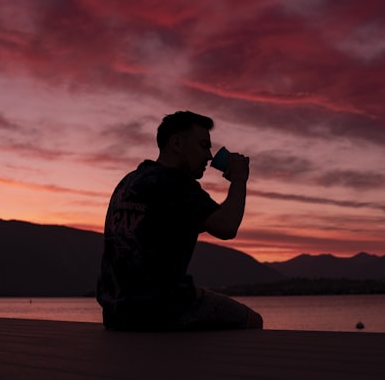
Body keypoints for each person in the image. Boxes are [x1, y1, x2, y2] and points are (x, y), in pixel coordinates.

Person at [97, 110, 264, 331]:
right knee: (252, 321)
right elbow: (227, 226)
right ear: (177, 143)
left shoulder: (128, 183)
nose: (209, 156)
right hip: (165, 307)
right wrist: (240, 178)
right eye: (204, 145)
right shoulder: (176, 184)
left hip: (117, 313)